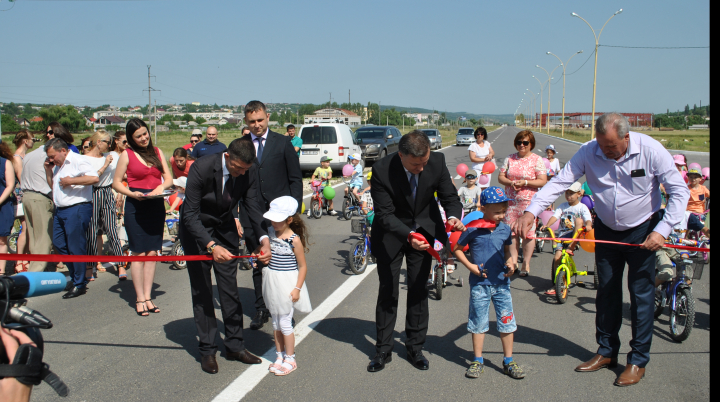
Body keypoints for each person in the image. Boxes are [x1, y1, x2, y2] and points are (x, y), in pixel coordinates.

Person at [514, 113, 690, 386]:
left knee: (640, 294)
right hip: (607, 229)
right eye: (601, 146)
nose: (605, 152)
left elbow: (680, 192)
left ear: (626, 137)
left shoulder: (651, 150)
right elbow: (560, 182)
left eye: (611, 147)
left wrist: (663, 230)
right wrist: (532, 211)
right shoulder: (589, 151)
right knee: (606, 291)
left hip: (645, 231)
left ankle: (637, 360)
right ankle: (606, 351)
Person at [367, 131, 464, 373]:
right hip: (392, 232)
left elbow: (449, 196)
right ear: (401, 156)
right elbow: (385, 214)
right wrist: (409, 236)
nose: (421, 168)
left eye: (424, 162)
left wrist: (453, 216)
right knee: (388, 289)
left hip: (425, 228)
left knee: (418, 289)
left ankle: (415, 347)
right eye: (415, 165)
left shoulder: (437, 162)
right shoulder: (381, 169)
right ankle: (383, 349)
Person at [178, 138, 271, 374]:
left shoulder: (247, 171)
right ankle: (208, 349)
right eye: (238, 168)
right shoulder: (201, 167)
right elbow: (189, 214)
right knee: (203, 291)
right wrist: (210, 245)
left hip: (225, 230)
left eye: (246, 170)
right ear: (227, 157)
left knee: (230, 290)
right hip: (197, 230)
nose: (241, 174)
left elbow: (252, 207)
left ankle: (235, 345)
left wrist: (263, 239)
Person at [240, 100, 303, 330]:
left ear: (267, 117)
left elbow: (295, 178)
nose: (256, 125)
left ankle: (286, 308)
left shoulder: (283, 143)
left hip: (281, 215)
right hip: (253, 213)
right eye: (251, 122)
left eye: (259, 120)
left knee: (285, 262)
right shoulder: (241, 144)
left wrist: (293, 209)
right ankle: (261, 308)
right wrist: (238, 216)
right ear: (246, 121)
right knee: (259, 262)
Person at [452, 186, 524, 380]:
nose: (502, 215)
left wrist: (511, 261)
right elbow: (457, 249)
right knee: (478, 323)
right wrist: (470, 266)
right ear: (483, 209)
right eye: (497, 211)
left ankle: (508, 360)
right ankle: (477, 360)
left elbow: (508, 250)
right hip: (480, 284)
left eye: (504, 211)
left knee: (507, 322)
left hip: (502, 283)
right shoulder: (473, 228)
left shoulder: (504, 229)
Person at [112, 118, 173, 316]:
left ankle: (148, 296)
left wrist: (160, 187)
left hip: (155, 204)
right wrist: (132, 193)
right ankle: (139, 298)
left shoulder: (157, 152)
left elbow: (169, 178)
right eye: (138, 136)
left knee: (152, 253)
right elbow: (116, 183)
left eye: (145, 133)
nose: (144, 138)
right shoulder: (126, 155)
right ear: (131, 138)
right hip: (135, 207)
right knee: (138, 253)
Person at [262, 196, 312, 376]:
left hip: (287, 284)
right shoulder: (269, 233)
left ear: (289, 220)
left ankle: (290, 358)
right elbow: (263, 253)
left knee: (284, 322)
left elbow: (302, 266)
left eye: (277, 219)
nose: (273, 222)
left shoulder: (294, 240)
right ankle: (279, 355)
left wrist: (297, 288)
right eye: (272, 219)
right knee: (275, 322)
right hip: (272, 281)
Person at [44, 138, 99, 298]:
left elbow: (94, 178)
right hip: (61, 209)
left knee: (76, 246)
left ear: (62, 150)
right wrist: (49, 171)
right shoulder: (58, 166)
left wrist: (71, 180)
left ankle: (79, 283)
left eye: (53, 156)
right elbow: (54, 186)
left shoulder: (77, 160)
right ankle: (76, 276)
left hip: (77, 208)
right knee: (59, 244)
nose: (51, 159)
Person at [497, 130, 547, 276]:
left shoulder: (537, 160)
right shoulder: (510, 158)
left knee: (527, 234)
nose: (522, 145)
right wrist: (511, 182)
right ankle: (513, 261)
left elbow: (542, 180)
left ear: (531, 144)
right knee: (511, 233)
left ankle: (526, 262)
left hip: (529, 203)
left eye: (525, 143)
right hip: (511, 202)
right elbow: (501, 177)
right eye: (519, 142)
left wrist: (525, 182)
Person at [538, 182, 593, 295]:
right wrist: (547, 225)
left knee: (579, 221)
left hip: (575, 236)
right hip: (563, 236)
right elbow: (555, 216)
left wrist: (588, 225)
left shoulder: (582, 207)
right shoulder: (562, 206)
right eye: (567, 193)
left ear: (579, 194)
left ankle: (571, 246)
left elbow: (588, 219)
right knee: (557, 257)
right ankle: (555, 282)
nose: (568, 195)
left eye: (571, 193)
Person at [83, 130, 123, 280]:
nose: (109, 144)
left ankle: (120, 264)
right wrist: (105, 165)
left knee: (112, 229)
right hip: (92, 193)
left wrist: (119, 191)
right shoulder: (85, 159)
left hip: (107, 192)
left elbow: (117, 176)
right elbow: (91, 178)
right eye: (107, 141)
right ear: (98, 142)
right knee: (91, 232)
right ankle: (90, 266)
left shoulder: (111, 156)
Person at [20, 136, 54, 273]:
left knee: (34, 237)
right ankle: (37, 271)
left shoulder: (29, 155)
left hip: (27, 196)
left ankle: (35, 266)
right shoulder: (47, 156)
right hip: (40, 197)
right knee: (43, 238)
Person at [11, 130, 39, 273]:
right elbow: (22, 178)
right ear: (25, 141)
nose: (33, 141)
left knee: (28, 228)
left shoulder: (25, 156)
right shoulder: (16, 158)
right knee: (25, 227)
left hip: (27, 193)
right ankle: (19, 260)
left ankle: (25, 258)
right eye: (31, 139)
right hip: (21, 195)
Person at [0, 142, 17, 276]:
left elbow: (10, 185)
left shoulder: (5, 163)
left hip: (3, 205)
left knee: (1, 240)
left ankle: (1, 272)